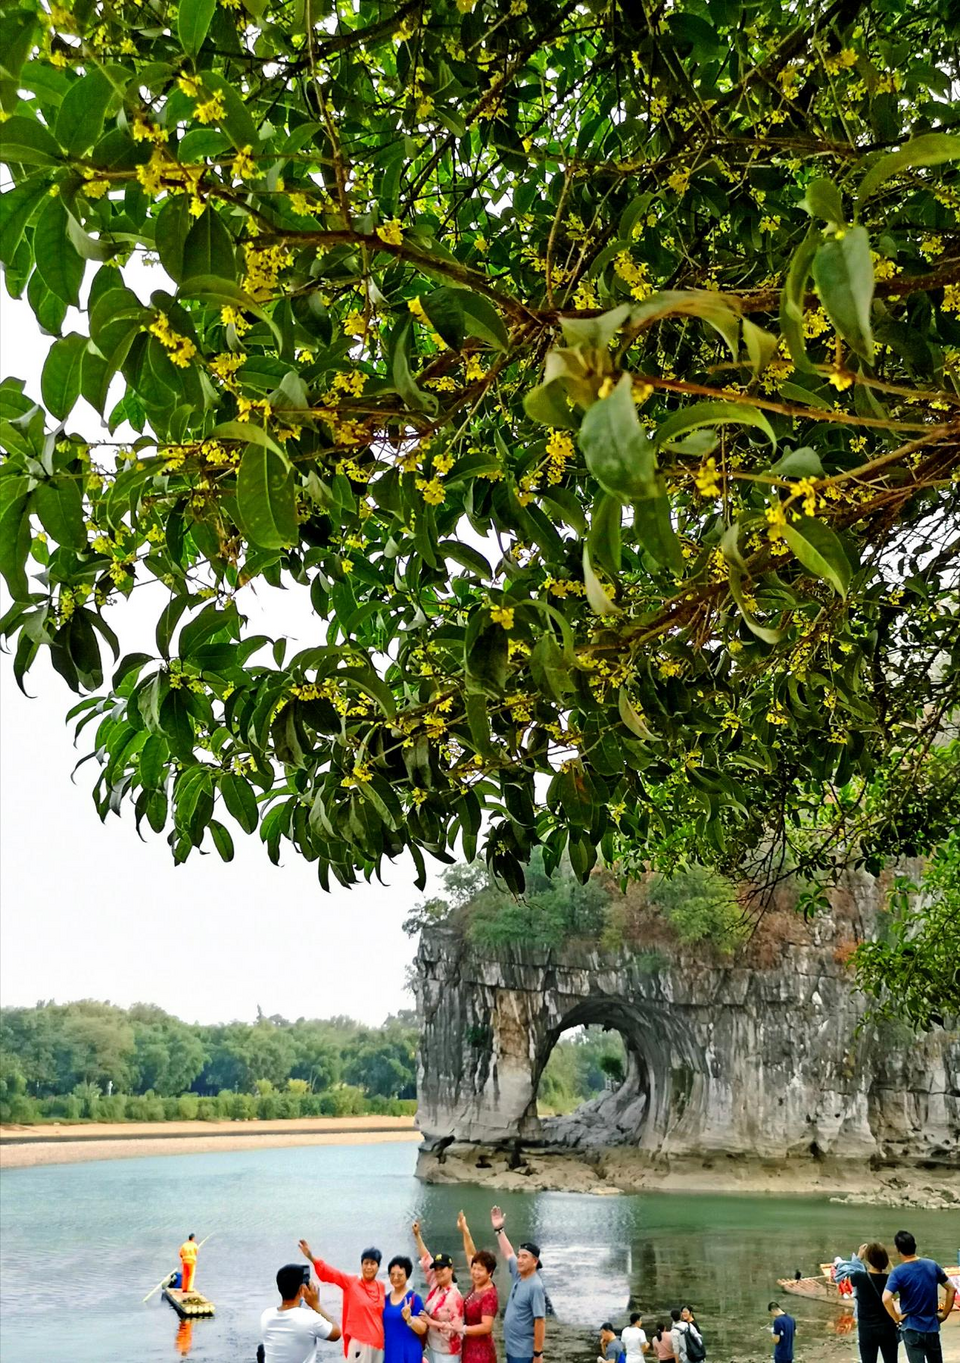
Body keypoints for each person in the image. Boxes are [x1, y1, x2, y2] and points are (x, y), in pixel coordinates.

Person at [300, 1238, 386, 1363]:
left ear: (378, 1266)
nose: (369, 1267)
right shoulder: (351, 1283)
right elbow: (332, 1274)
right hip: (360, 1345)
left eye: (372, 1263)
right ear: (361, 1265)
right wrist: (311, 1257)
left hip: (379, 1346)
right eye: (366, 1263)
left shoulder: (381, 1287)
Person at [883, 1230, 956, 1363]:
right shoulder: (932, 1265)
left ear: (898, 1249)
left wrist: (897, 1318)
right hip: (932, 1325)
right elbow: (951, 1289)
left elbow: (886, 1298)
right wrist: (944, 1314)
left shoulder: (898, 1273)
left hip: (911, 1327)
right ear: (914, 1246)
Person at [489, 1206, 546, 1363]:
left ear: (534, 1262)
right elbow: (508, 1253)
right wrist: (499, 1230)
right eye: (519, 1256)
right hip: (511, 1348)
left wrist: (537, 1354)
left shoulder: (536, 1286)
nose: (519, 1260)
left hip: (524, 1353)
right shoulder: (518, 1273)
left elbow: (540, 1321)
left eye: (524, 1257)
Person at [260, 1262, 342, 1363]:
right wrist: (316, 1305)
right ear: (302, 1289)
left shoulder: (266, 1315)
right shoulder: (310, 1318)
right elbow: (336, 1333)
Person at [835, 1242, 900, 1363]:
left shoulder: (859, 1277)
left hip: (867, 1329)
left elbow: (842, 1272)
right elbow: (895, 1277)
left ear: (868, 1260)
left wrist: (858, 1258)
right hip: (887, 1328)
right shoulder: (891, 1279)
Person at [412, 1221, 464, 1363]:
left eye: (443, 1268)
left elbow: (456, 1328)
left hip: (447, 1352)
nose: (439, 1272)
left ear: (451, 1269)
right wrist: (417, 1236)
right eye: (437, 1269)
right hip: (432, 1348)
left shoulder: (455, 1296)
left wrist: (431, 1322)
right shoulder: (436, 1285)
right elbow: (426, 1259)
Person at [453, 1211, 499, 1363]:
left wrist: (462, 1329)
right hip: (468, 1346)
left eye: (480, 1270)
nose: (475, 1272)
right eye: (474, 1268)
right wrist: (465, 1231)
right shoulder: (477, 1284)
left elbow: (487, 1327)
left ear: (490, 1272)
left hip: (481, 1352)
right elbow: (470, 1254)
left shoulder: (489, 1294)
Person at [383, 1256, 427, 1363]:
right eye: (392, 1274)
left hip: (408, 1351)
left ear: (407, 1276)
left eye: (400, 1275)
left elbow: (422, 1328)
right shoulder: (385, 1299)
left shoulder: (414, 1299)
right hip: (390, 1350)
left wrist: (410, 1319)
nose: (395, 1278)